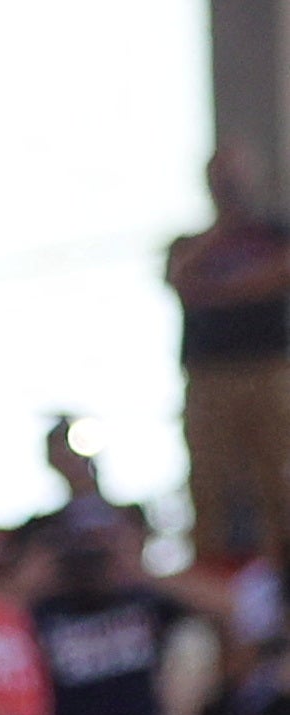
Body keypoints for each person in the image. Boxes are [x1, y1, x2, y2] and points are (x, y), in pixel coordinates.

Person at [172, 148, 290, 573]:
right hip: (209, 376)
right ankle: (214, 576)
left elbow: (279, 276)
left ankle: (280, 575)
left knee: (277, 477)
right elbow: (181, 279)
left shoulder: (275, 234)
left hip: (269, 372)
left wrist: (217, 290)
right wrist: (223, 234)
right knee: (210, 485)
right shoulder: (190, 243)